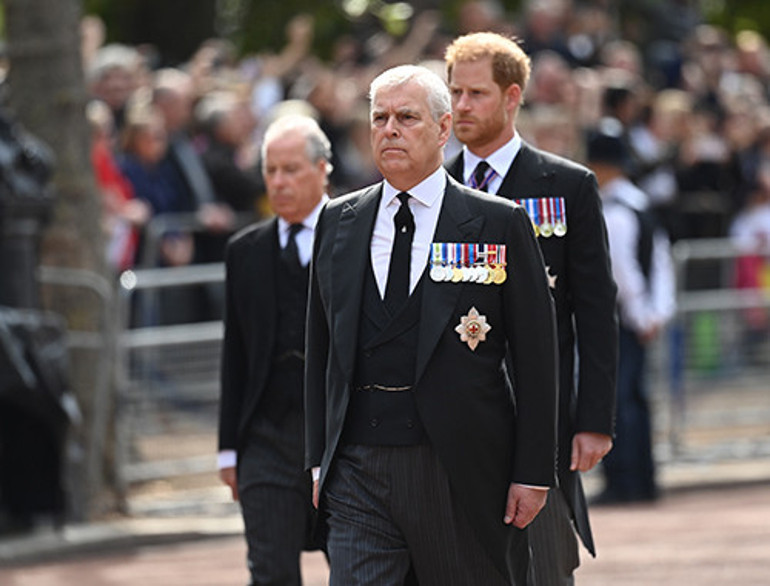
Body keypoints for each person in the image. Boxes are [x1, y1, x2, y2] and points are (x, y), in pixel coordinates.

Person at [304, 64, 558, 585]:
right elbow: (321, 349)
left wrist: (532, 471)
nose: (389, 129)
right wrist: (317, 459)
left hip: (456, 466)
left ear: (443, 130)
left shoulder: (497, 222)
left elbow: (536, 357)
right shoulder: (339, 220)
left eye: (406, 117)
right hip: (357, 466)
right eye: (379, 118)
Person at [444, 32, 618, 586]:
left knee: (543, 564)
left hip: (541, 414)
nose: (462, 107)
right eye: (455, 93)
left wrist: (593, 419)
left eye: (476, 93)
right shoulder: (432, 187)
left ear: (513, 96)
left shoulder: (567, 185)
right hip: (459, 411)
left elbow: (594, 310)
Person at [218, 114, 330, 585]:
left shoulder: (360, 237)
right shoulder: (244, 250)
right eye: (271, 171)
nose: (279, 183)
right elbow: (235, 353)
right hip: (265, 437)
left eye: (291, 170)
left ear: (323, 168)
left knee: (359, 568)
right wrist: (228, 449)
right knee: (269, 572)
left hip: (340, 436)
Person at [586, 118, 676, 505]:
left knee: (618, 402)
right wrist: (657, 313)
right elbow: (661, 264)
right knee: (635, 400)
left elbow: (622, 272)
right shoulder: (639, 203)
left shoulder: (616, 210)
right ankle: (643, 479)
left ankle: (624, 481)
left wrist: (641, 315)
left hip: (621, 321)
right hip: (639, 319)